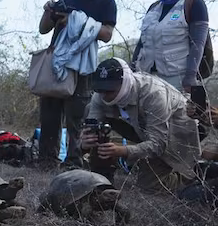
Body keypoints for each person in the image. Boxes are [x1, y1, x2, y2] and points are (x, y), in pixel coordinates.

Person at [35, 0, 118, 168]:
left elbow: (107, 33)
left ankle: (74, 159)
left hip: (82, 65)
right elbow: (44, 29)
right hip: (57, 61)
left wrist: (76, 21)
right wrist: (50, 12)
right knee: (50, 112)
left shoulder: (106, 2)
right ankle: (46, 159)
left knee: (77, 114)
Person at [82, 58, 199, 193]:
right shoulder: (101, 95)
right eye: (101, 90)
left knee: (149, 186)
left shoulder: (154, 94)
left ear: (124, 83)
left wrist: (123, 151)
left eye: (110, 90)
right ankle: (101, 172)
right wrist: (85, 143)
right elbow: (90, 128)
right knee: (91, 115)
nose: (104, 95)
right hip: (141, 129)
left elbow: (158, 144)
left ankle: (191, 175)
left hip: (176, 134)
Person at [132, 0, 210, 96]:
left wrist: (190, 77)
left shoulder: (194, 4)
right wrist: (132, 69)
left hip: (177, 81)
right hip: (145, 78)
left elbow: (198, 44)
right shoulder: (153, 8)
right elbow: (142, 43)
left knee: (177, 116)